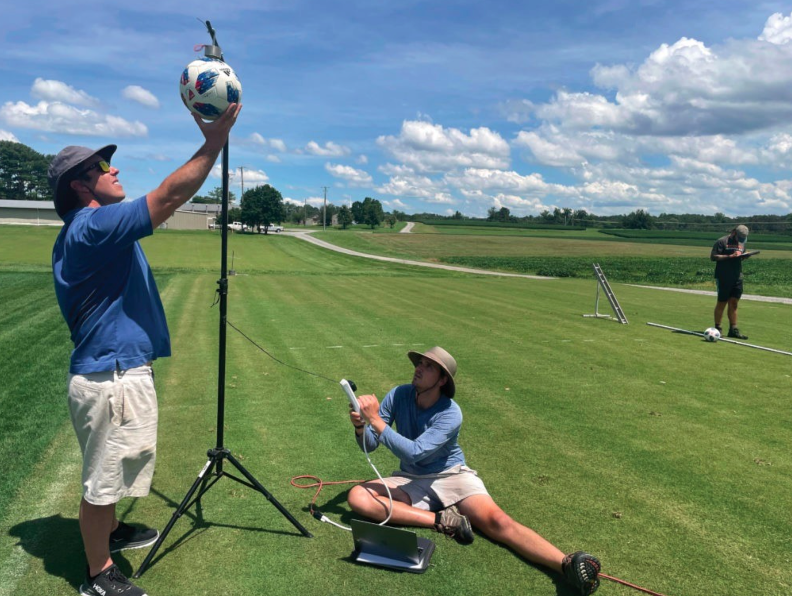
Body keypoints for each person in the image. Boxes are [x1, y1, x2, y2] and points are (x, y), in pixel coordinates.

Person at [49, 104, 241, 596]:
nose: (114, 170)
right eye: (101, 167)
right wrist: (213, 142)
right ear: (80, 185)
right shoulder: (93, 227)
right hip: (109, 377)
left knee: (114, 468)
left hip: (115, 372)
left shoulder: (95, 229)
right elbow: (170, 195)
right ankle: (99, 574)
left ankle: (110, 533)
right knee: (103, 479)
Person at [347, 346, 601, 595]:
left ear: (442, 379)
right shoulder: (399, 394)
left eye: (428, 366)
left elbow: (414, 451)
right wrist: (361, 427)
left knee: (498, 521)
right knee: (358, 497)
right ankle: (444, 520)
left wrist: (377, 421)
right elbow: (370, 445)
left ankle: (565, 563)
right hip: (411, 478)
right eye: (419, 364)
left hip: (452, 475)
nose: (419, 369)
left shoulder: (450, 413)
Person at [710, 225, 751, 340]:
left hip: (737, 277)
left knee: (734, 303)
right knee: (722, 302)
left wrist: (744, 256)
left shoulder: (742, 243)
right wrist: (729, 256)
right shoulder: (721, 241)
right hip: (723, 276)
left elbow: (739, 256)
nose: (741, 240)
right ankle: (718, 328)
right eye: (740, 237)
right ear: (734, 232)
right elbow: (713, 257)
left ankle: (733, 329)